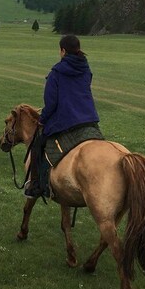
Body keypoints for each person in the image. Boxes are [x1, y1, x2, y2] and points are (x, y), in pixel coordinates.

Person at [24, 34, 101, 199]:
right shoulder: (86, 69)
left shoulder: (56, 73)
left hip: (66, 121)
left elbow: (51, 104)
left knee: (38, 145)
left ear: (63, 51)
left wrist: (42, 120)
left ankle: (36, 185)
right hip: (89, 120)